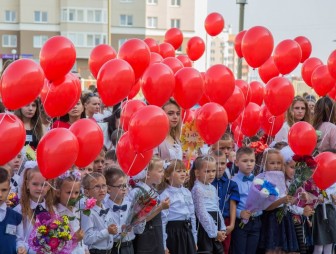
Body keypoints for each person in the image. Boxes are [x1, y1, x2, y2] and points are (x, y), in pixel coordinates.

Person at [257, 149, 299, 254]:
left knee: (282, 249)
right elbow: (266, 207)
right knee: (272, 248)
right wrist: (282, 200)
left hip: (284, 218)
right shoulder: (263, 179)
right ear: (265, 164)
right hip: (271, 218)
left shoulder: (282, 178)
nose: (276, 166)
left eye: (279, 163)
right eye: (272, 163)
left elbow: (287, 202)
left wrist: (297, 198)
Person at [130, 156, 170, 254]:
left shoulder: (151, 190)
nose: (163, 174)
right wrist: (160, 208)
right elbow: (139, 220)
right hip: (146, 240)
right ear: (147, 174)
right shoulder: (140, 192)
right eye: (160, 171)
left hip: (154, 236)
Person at [189, 155, 226, 254]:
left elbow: (217, 208)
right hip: (204, 226)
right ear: (197, 172)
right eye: (207, 171)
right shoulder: (197, 189)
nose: (211, 174)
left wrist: (222, 228)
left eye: (213, 171)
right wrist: (214, 232)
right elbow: (201, 212)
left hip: (215, 223)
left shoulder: (212, 188)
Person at [280, 146, 314, 254]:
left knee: (299, 248)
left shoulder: (295, 183)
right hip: (284, 221)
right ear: (283, 166)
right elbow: (286, 204)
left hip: (294, 219)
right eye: (292, 167)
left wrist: (301, 198)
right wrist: (301, 210)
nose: (294, 171)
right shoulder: (281, 183)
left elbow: (292, 201)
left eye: (297, 168)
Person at [158, 160, 197, 254]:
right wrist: (163, 245)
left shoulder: (187, 192)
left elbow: (192, 216)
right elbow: (163, 221)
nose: (183, 174)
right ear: (167, 176)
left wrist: (194, 240)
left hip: (186, 232)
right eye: (178, 171)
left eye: (184, 171)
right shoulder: (165, 194)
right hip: (173, 233)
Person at [14, 163, 55, 253]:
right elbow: (19, 238)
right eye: (35, 184)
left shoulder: (52, 210)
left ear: (49, 187)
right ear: (27, 185)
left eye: (44, 185)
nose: (39, 188)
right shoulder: (20, 210)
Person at [104, 167, 145, 254]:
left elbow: (139, 230)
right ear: (109, 189)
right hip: (112, 248)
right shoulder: (104, 207)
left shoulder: (131, 205)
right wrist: (120, 229)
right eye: (120, 186)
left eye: (125, 185)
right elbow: (105, 231)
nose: (124, 188)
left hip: (129, 247)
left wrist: (141, 219)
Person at [231, 147, 262, 254]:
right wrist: (240, 213)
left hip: (256, 221)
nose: (249, 164)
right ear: (236, 162)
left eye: (252, 161)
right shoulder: (233, 182)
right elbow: (230, 204)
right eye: (245, 161)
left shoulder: (259, 181)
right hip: (240, 223)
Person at [81, 172, 118, 253]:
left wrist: (115, 230)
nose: (102, 190)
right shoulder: (87, 212)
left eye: (104, 186)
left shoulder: (105, 207)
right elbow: (87, 238)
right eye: (97, 187)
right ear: (87, 192)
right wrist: (107, 231)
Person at [211, 150, 240, 253]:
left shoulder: (231, 184)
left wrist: (232, 224)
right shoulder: (206, 184)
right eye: (216, 163)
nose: (219, 166)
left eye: (222, 163)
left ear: (226, 163)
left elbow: (233, 205)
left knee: (224, 249)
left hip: (225, 222)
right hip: (209, 221)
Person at [55, 170, 87, 254]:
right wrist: (74, 239)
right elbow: (55, 243)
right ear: (58, 193)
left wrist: (85, 249)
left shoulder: (76, 210)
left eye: (76, 193)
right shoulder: (56, 212)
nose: (73, 196)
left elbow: (79, 234)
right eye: (69, 192)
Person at [0, 167, 26, 254]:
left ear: (9, 189)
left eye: (4, 190)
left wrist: (21, 247)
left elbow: (19, 239)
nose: (0, 194)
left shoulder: (16, 216)